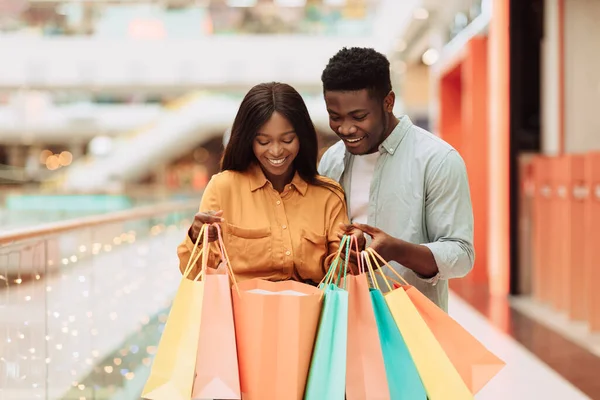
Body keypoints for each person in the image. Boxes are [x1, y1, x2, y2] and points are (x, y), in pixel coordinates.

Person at [318, 47, 475, 311]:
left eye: (359, 117)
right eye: (335, 117)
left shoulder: (437, 159)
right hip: (345, 319)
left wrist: (397, 250)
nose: (345, 129)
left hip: (413, 326)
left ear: (388, 102)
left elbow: (461, 255)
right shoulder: (331, 161)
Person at [177, 82, 351, 284]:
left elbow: (339, 274)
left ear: (302, 138)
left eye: (287, 140)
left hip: (311, 312)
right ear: (248, 140)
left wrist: (350, 254)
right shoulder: (223, 188)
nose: (276, 151)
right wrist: (198, 238)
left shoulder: (328, 195)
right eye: (263, 142)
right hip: (243, 313)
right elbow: (194, 274)